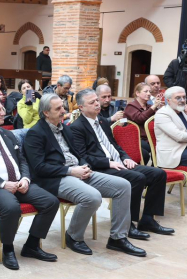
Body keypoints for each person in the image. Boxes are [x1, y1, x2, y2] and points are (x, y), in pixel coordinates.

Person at [23, 94, 145, 257]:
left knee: (123, 186)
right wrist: (71, 171)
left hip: (78, 171)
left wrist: (85, 166)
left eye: (63, 107)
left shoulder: (65, 128)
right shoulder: (35, 133)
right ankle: (74, 236)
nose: (63, 111)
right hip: (56, 178)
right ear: (46, 112)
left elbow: (78, 154)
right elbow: (39, 168)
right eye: (58, 108)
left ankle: (118, 238)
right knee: (92, 197)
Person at [0, 94, 59, 269]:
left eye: (2, 109)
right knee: (11, 206)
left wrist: (25, 179)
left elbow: (22, 160)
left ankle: (32, 245)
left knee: (50, 202)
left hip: (16, 183)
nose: (3, 113)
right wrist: (2, 183)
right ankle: (7, 249)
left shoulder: (8, 134)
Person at [70, 89, 173, 239]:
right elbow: (82, 157)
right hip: (101, 168)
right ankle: (128, 224)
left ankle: (148, 219)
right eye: (92, 102)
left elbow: (114, 145)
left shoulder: (102, 121)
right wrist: (108, 163)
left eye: (97, 100)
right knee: (137, 178)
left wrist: (125, 157)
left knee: (158, 174)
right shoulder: (76, 127)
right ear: (81, 107)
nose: (97, 104)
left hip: (118, 162)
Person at [125, 82, 165, 164]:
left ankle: (156, 168)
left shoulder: (149, 107)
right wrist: (154, 106)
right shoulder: (131, 106)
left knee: (162, 148)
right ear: (137, 93)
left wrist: (160, 108)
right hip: (136, 138)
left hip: (149, 137)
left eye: (150, 91)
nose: (149, 94)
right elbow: (140, 118)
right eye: (146, 91)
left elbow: (158, 120)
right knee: (151, 149)